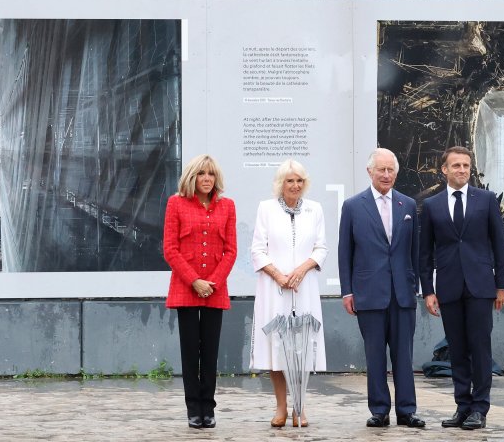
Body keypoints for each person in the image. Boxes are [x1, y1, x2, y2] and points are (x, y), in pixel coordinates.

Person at [419, 146, 504, 431]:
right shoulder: (432, 206)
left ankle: (480, 408)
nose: (461, 170)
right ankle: (463, 406)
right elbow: (424, 253)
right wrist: (428, 291)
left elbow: (500, 245)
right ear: (444, 169)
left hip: (481, 286)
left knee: (480, 348)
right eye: (455, 165)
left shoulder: (486, 200)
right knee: (457, 349)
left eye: (466, 165)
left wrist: (502, 286)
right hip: (448, 287)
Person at [338, 148, 425, 429]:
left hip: (402, 294)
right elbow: (345, 252)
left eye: (391, 170)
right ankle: (379, 410)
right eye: (381, 170)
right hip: (369, 293)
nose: (386, 175)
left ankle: (407, 410)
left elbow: (415, 252)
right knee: (375, 355)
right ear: (370, 172)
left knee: (404, 355)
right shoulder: (353, 206)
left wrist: (416, 288)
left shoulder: (408, 205)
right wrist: (347, 291)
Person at [249, 160, 328, 428]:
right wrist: (279, 276)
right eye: (289, 181)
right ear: (280, 183)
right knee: (277, 349)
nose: (295, 186)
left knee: (303, 348)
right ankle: (281, 407)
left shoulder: (315, 209)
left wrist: (303, 269)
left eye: (299, 181)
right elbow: (258, 250)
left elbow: (321, 248)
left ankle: (300, 408)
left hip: (304, 287)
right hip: (275, 288)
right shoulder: (266, 208)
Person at [163, 154, 237, 429]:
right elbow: (170, 248)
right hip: (186, 287)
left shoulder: (227, 206)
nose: (207, 179)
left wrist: (213, 282)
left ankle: (209, 408)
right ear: (192, 177)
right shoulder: (176, 204)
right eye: (202, 174)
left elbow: (231, 250)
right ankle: (193, 408)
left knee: (210, 352)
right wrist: (195, 280)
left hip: (214, 290)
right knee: (190, 351)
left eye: (211, 174)